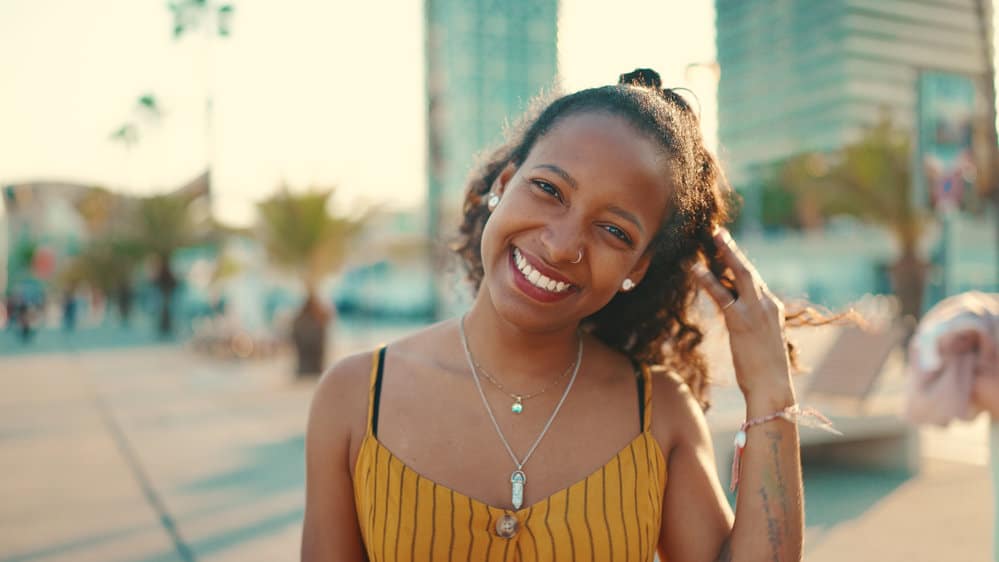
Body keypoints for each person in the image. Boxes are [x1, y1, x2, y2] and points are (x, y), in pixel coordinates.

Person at [302, 69, 825, 561]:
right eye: (549, 190)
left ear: (637, 268)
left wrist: (771, 390)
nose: (561, 246)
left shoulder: (661, 411)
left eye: (614, 230)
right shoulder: (353, 398)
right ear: (504, 183)